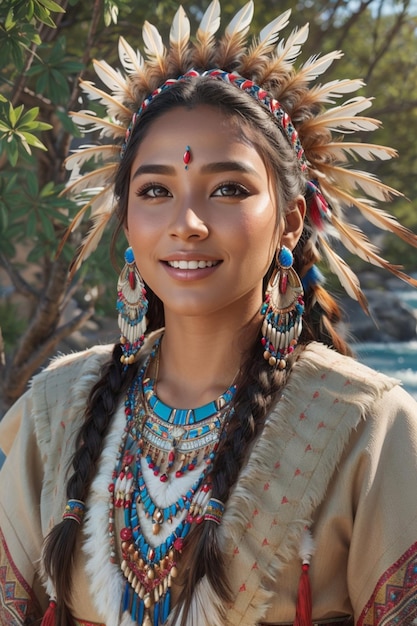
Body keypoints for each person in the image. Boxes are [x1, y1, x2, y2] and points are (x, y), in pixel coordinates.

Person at [1, 1, 417, 625]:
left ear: (292, 218)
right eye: (155, 191)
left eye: (229, 189)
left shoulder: (370, 428)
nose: (187, 224)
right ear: (127, 218)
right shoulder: (53, 412)